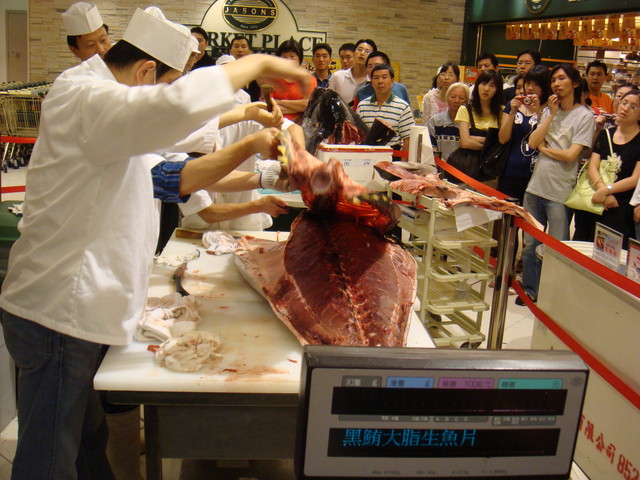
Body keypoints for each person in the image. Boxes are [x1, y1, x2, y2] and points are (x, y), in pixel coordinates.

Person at [0, 6, 308, 479]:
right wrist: (258, 64)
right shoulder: (86, 97)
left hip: (76, 313)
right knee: (49, 458)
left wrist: (250, 141)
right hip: (58, 313)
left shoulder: (109, 114)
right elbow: (173, 114)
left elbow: (171, 171)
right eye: (167, 82)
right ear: (145, 72)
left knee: (86, 443)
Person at [520, 63, 595, 304]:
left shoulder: (585, 116)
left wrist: (545, 150)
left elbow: (571, 155)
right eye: (553, 80)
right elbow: (533, 143)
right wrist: (550, 115)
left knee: (556, 248)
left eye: (562, 79)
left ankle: (552, 296)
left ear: (575, 83)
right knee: (530, 244)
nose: (556, 84)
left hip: (560, 191)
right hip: (535, 186)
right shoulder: (549, 111)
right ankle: (531, 290)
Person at [587, 90, 640, 248]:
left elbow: (635, 178)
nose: (626, 108)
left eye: (634, 107)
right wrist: (602, 191)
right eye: (624, 103)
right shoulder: (606, 134)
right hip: (596, 200)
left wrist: (607, 190)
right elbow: (592, 167)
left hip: (622, 205)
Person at [498, 66, 550, 204]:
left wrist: (538, 112)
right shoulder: (511, 105)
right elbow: (502, 138)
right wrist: (512, 113)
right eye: (528, 83)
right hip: (510, 170)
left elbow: (546, 140)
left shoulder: (551, 109)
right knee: (507, 213)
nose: (530, 88)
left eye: (536, 84)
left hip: (537, 174)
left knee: (531, 215)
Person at [356, 63, 414, 150]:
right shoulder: (362, 106)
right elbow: (357, 136)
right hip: (366, 154)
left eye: (384, 77)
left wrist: (403, 159)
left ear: (392, 81)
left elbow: (408, 140)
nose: (380, 81)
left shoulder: (403, 107)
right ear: (371, 82)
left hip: (393, 155)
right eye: (376, 78)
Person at [456, 69, 504, 153]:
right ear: (477, 85)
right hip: (469, 158)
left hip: (493, 159)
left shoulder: (502, 111)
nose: (486, 89)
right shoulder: (465, 109)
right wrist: (491, 145)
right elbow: (466, 143)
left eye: (492, 86)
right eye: (483, 84)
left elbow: (503, 141)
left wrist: (473, 138)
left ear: (497, 90)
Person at [270, 38, 317, 121]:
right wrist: (298, 108)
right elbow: (269, 105)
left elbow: (307, 105)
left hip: (300, 124)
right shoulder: (272, 79)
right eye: (284, 57)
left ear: (299, 58)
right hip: (275, 123)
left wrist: (279, 102)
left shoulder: (309, 80)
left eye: (292, 56)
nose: (288, 60)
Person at [427, 82, 469, 161]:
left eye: (461, 98)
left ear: (467, 100)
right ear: (447, 98)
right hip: (439, 165)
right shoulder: (434, 121)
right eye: (453, 97)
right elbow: (431, 147)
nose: (456, 100)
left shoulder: (469, 123)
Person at [329, 38, 376, 105]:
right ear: (354, 53)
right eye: (359, 49)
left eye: (367, 51)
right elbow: (327, 102)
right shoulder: (337, 76)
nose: (362, 53)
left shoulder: (373, 81)